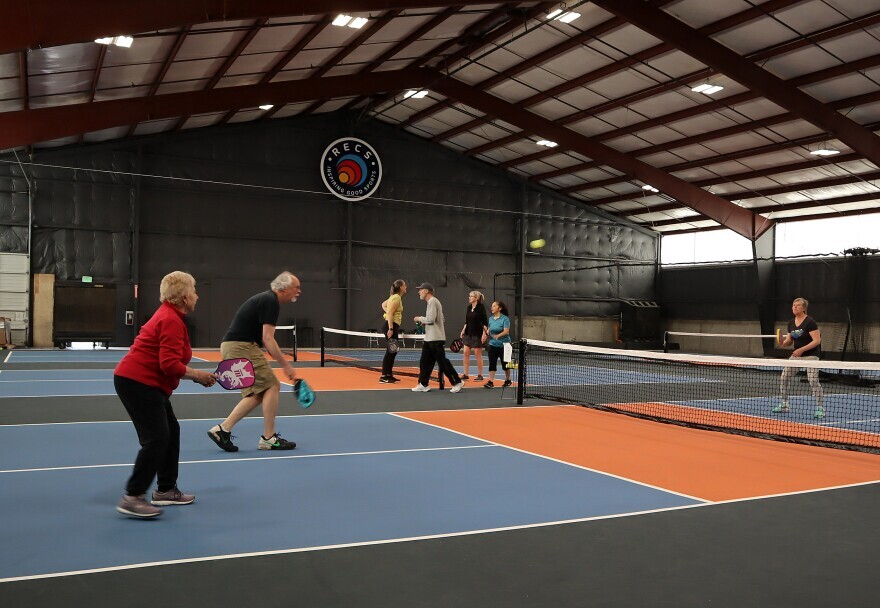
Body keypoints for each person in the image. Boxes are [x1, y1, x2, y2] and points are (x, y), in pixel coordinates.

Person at [115, 271, 217, 518]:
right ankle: (132, 496)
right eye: (193, 291)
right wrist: (198, 375)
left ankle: (165, 490)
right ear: (183, 297)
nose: (197, 296)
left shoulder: (171, 316)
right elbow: (169, 365)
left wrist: (195, 374)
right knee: (157, 439)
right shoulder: (170, 320)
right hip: (138, 383)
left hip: (148, 384)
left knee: (170, 433)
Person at [207, 271, 302, 452]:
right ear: (285, 288)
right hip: (240, 347)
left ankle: (222, 430)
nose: (299, 291)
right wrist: (286, 365)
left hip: (233, 346)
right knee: (272, 385)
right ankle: (268, 438)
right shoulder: (271, 301)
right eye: (296, 287)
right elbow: (268, 339)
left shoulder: (267, 300)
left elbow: (264, 339)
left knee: (257, 393)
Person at [774, 297, 824, 418]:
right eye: (793, 305)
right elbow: (789, 341)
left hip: (811, 356)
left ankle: (820, 408)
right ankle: (785, 404)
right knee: (784, 377)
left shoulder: (810, 322)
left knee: (813, 381)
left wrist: (801, 350)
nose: (794, 307)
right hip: (796, 356)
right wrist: (782, 342)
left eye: (797, 305)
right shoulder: (791, 323)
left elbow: (817, 341)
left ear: (804, 308)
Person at [411, 282, 463, 393]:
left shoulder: (433, 301)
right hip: (430, 338)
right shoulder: (432, 302)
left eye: (420, 289)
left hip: (435, 339)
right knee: (424, 362)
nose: (419, 292)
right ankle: (423, 384)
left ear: (426, 291)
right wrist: (426, 322)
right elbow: (441, 318)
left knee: (442, 362)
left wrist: (419, 318)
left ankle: (457, 381)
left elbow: (430, 320)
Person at [379, 279, 407, 383]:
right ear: (400, 287)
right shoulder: (396, 298)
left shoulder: (394, 297)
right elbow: (390, 313)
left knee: (393, 350)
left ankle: (389, 375)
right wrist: (390, 328)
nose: (406, 287)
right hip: (391, 326)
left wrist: (390, 312)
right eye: (404, 285)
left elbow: (383, 304)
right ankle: (383, 376)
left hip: (393, 325)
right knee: (391, 351)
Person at [459, 291, 488, 381]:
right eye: (469, 296)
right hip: (468, 333)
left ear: (476, 298)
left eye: (471, 296)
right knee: (465, 353)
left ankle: (480, 375)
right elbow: (466, 322)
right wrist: (463, 330)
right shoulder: (469, 307)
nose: (469, 297)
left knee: (477, 354)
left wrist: (484, 334)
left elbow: (485, 323)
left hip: (478, 334)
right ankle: (466, 374)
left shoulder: (481, 308)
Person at [484, 300, 512, 389]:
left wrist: (498, 336)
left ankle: (508, 380)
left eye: (494, 306)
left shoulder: (505, 319)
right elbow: (489, 330)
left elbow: (506, 331)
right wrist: (485, 333)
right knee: (492, 363)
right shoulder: (491, 319)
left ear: (499, 308)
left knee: (505, 364)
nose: (492, 308)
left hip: (504, 345)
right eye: (492, 306)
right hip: (493, 345)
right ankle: (490, 382)